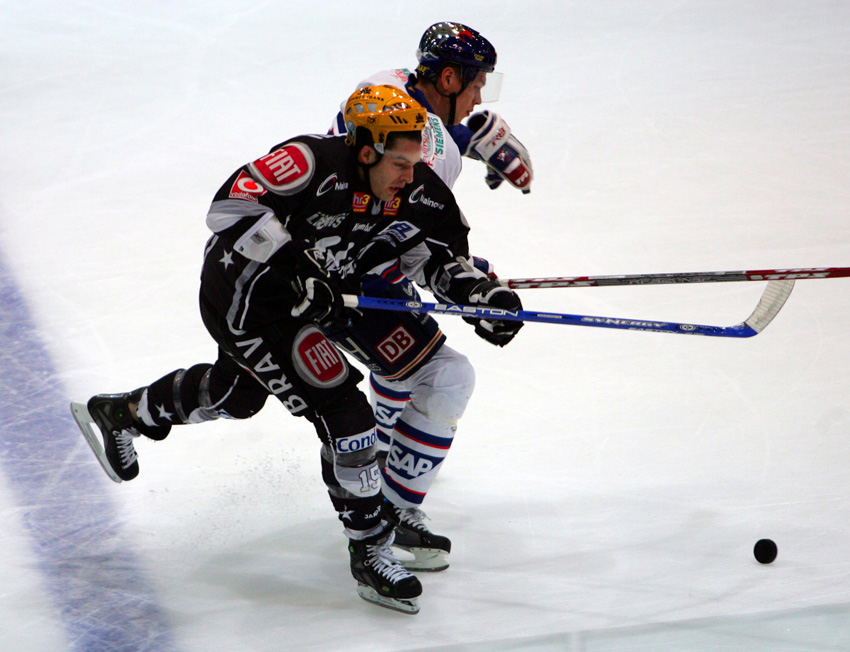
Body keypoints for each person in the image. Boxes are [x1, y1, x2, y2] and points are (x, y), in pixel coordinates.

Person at [72, 85, 523, 615]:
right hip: (248, 301)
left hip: (317, 303)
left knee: (237, 394)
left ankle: (123, 413)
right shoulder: (309, 162)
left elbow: (438, 257)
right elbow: (228, 206)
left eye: (414, 161)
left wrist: (478, 295)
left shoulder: (415, 187)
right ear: (365, 151)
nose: (410, 174)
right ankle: (372, 550)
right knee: (347, 416)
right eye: (399, 162)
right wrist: (300, 273)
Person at [326, 21, 532, 569]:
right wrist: (472, 281)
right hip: (348, 281)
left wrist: (474, 135)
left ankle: (390, 471)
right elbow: (411, 237)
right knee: (446, 375)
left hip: (330, 251)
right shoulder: (433, 156)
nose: (479, 96)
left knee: (407, 369)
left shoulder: (386, 84)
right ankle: (390, 516)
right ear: (448, 77)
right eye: (476, 86)